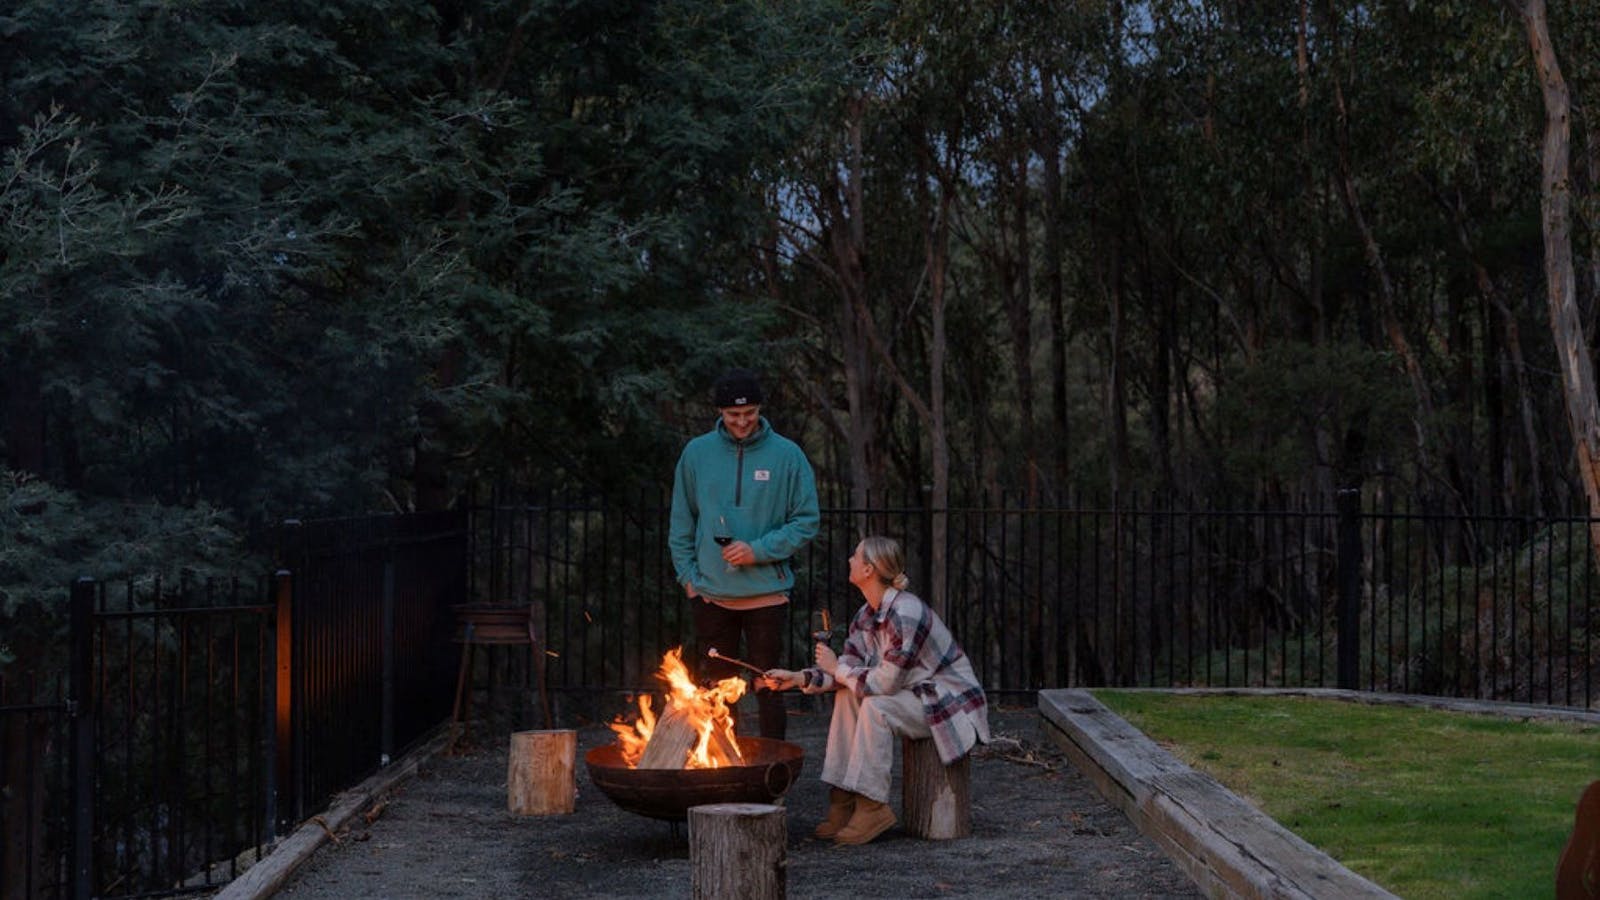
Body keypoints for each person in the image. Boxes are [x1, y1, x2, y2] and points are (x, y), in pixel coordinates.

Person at [761, 535, 989, 846]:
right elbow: (847, 672)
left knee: (876, 706)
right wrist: (799, 678)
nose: (849, 560)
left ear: (869, 569)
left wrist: (836, 668)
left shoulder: (906, 613)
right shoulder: (866, 615)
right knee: (847, 695)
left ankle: (872, 806)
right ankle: (843, 798)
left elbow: (883, 684)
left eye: (855, 556)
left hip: (948, 703)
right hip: (914, 694)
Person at [669, 368, 820, 741]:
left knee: (769, 684)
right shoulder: (696, 453)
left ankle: (774, 767)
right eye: (733, 414)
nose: (742, 421)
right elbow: (681, 521)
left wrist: (758, 551)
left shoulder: (788, 455)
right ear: (719, 412)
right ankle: (723, 765)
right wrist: (688, 579)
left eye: (749, 412)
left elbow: (806, 521)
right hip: (710, 594)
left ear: (760, 409)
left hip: (767, 594)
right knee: (717, 691)